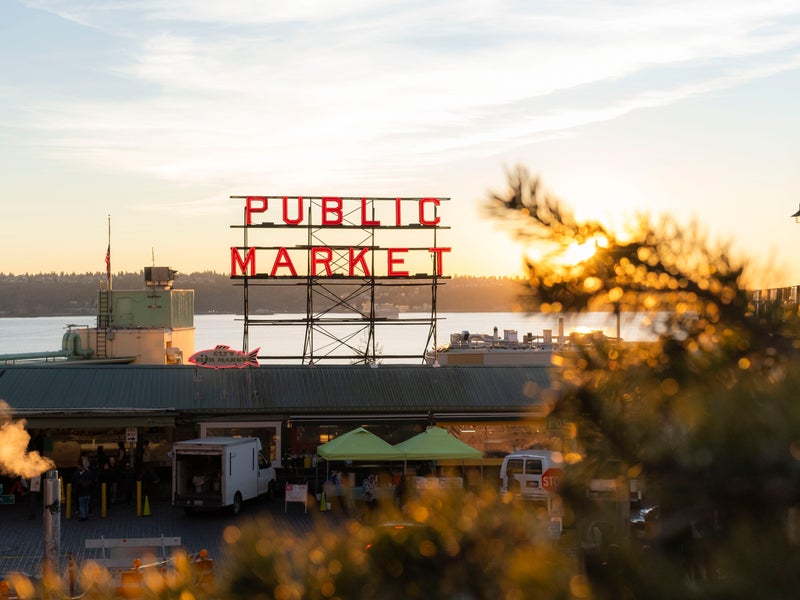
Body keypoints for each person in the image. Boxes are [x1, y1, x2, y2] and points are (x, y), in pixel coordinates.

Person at [76, 457, 94, 521]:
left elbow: (78, 481)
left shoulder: (81, 474)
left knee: (82, 506)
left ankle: (84, 516)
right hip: (87, 492)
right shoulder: (89, 473)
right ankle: (86, 515)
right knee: (86, 505)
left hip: (82, 492)